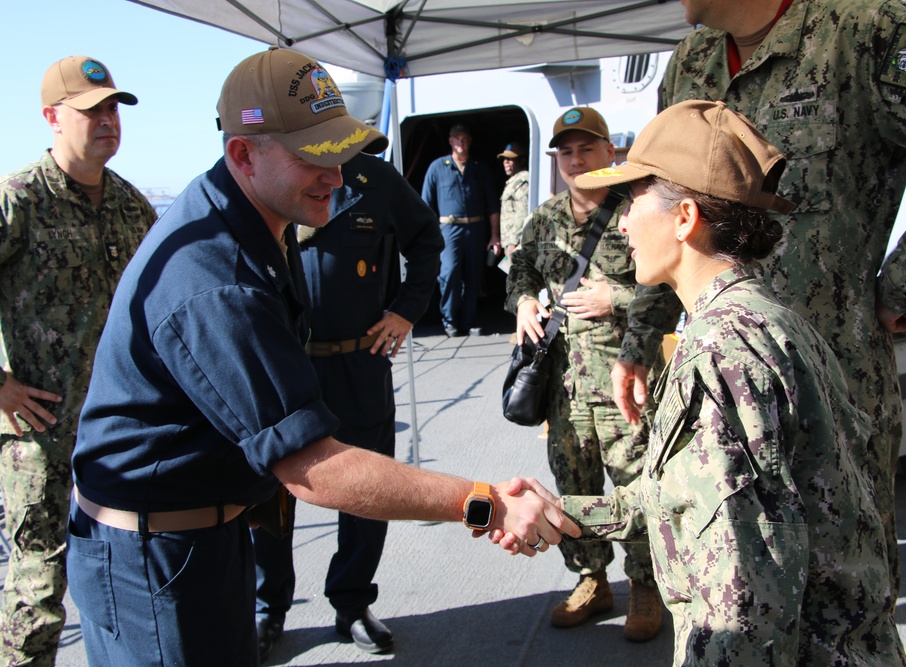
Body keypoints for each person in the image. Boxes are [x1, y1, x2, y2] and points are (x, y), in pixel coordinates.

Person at [65, 47, 579, 667]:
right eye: (315, 157)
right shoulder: (216, 279)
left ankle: (346, 600)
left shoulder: (250, 221)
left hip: (204, 535)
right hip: (155, 559)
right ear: (243, 154)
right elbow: (314, 469)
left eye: (340, 153)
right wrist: (485, 501)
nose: (336, 178)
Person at [614, 0, 906, 601]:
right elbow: (663, 204)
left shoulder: (864, 35)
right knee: (731, 588)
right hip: (721, 382)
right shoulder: (690, 64)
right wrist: (639, 339)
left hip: (830, 389)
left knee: (843, 603)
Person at [502, 99, 906, 665]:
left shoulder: (723, 353)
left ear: (685, 217)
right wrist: (565, 512)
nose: (621, 220)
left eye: (635, 198)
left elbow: (742, 608)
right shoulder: (762, 314)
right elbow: (689, 499)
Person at [252, 151, 444, 658]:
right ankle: (268, 605)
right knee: (273, 488)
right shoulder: (269, 170)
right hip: (283, 364)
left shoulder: (371, 178)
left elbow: (426, 240)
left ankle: (353, 604)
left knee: (367, 489)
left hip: (360, 363)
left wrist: (405, 310)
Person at [505, 107, 682, 642]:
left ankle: (646, 586)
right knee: (575, 486)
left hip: (623, 382)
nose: (575, 160)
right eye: (566, 152)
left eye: (587, 149)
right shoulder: (544, 220)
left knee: (634, 485)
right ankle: (591, 578)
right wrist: (522, 304)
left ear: (611, 152)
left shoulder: (638, 211)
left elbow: (670, 288)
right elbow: (520, 274)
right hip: (563, 389)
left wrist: (616, 297)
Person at [0, 56, 153, 665]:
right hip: (38, 437)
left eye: (114, 108)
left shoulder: (130, 205)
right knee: (38, 591)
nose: (108, 121)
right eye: (92, 111)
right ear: (51, 118)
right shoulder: (19, 200)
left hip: (118, 429)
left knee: (120, 576)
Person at [421, 124, 501, 337]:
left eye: (464, 137)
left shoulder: (480, 168)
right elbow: (426, 206)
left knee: (474, 275)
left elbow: (493, 205)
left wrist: (494, 235)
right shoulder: (437, 167)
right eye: (457, 138)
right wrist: (431, 237)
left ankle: (468, 321)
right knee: (450, 273)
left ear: (470, 141)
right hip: (448, 229)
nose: (461, 142)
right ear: (450, 141)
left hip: (476, 228)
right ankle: (449, 321)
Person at [497, 141, 530, 257]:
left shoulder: (523, 181)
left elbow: (522, 213)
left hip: (517, 243)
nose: (506, 162)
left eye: (510, 159)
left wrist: (513, 242)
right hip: (510, 242)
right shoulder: (513, 181)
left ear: (521, 160)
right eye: (504, 159)